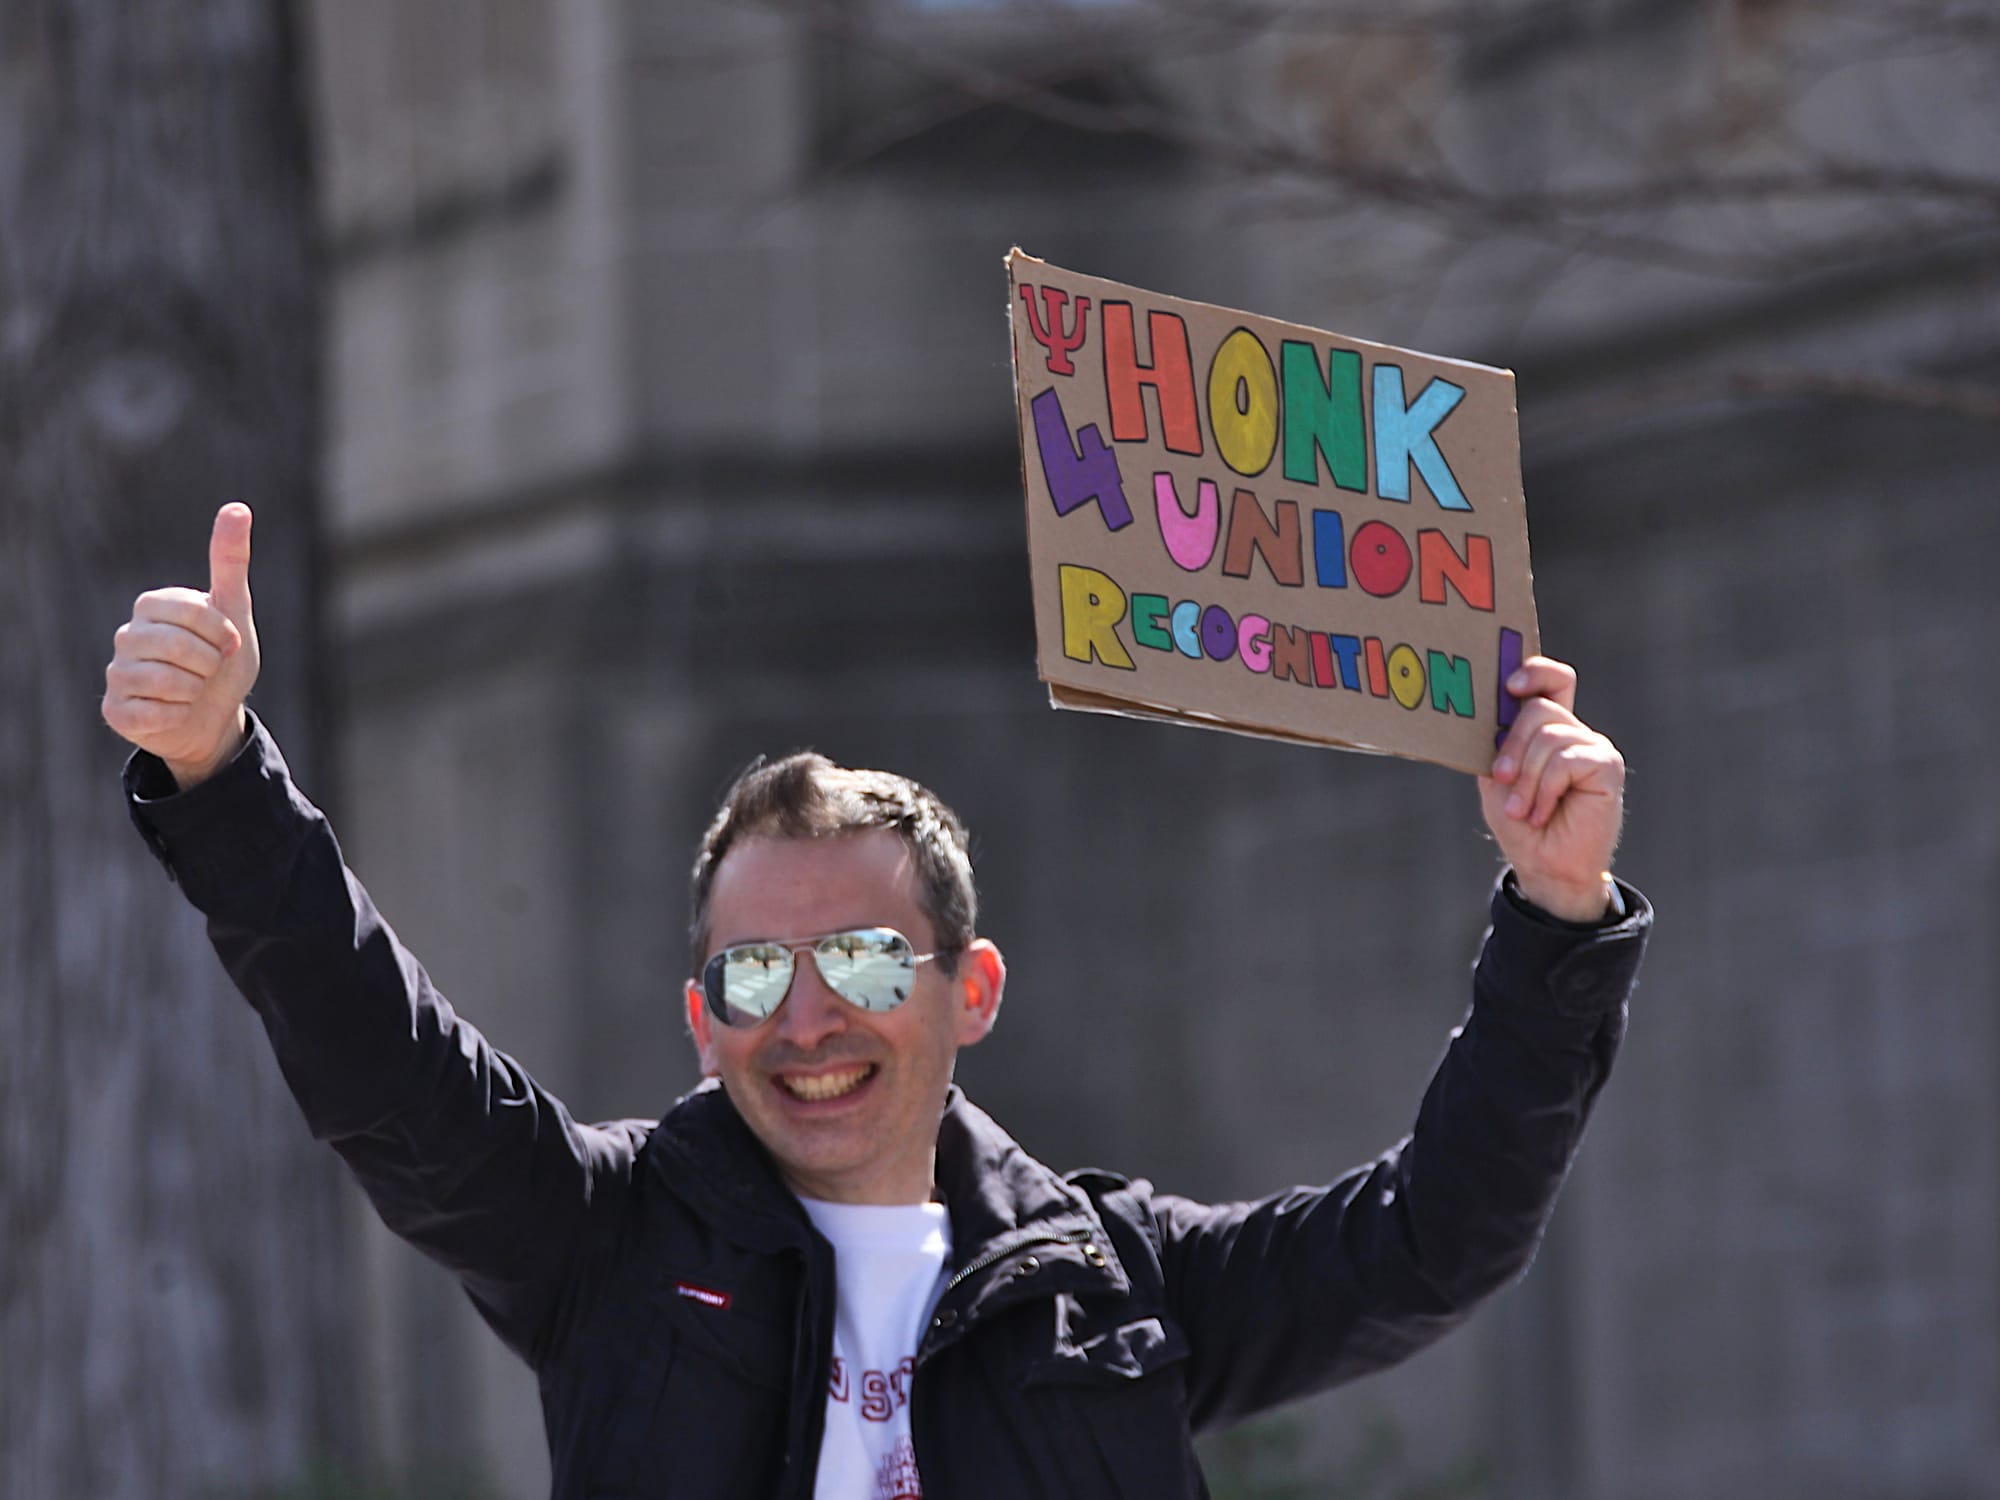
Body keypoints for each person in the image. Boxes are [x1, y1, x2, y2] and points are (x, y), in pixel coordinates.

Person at [105, 503, 1651, 1500]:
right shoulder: (606, 1243)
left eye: (856, 963)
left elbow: (1435, 1239)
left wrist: (1556, 906)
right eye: (756, 974)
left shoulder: (1111, 1286)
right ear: (700, 1016)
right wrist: (220, 775)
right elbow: (390, 1069)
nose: (807, 1020)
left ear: (967, 990)